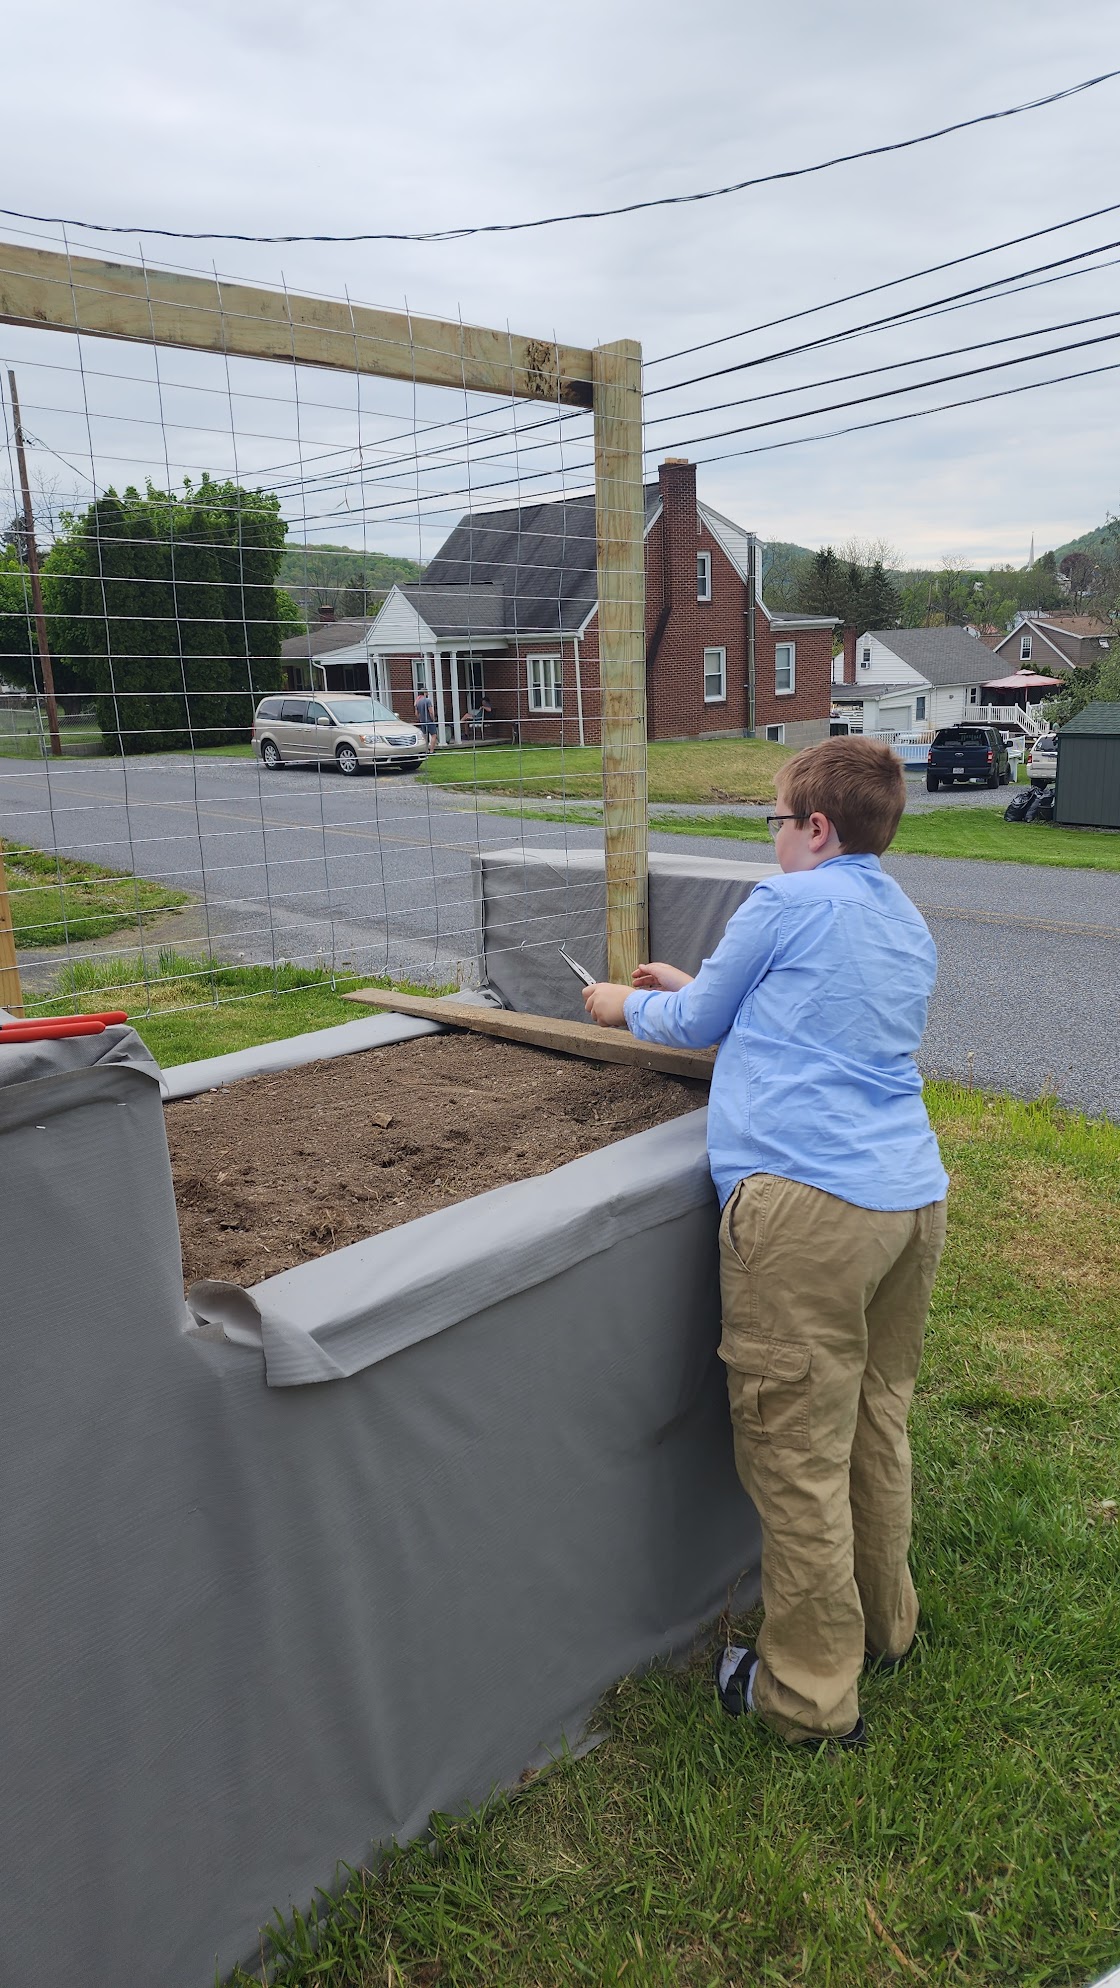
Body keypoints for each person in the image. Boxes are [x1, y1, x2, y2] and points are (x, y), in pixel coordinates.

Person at [583, 736, 948, 1750]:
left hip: (807, 1207)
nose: (774, 838)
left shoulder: (787, 900)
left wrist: (626, 1003)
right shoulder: (904, 919)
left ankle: (806, 1698)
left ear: (816, 828)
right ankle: (885, 1625)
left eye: (776, 822)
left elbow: (695, 1019)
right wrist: (695, 985)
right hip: (909, 1199)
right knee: (875, 1414)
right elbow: (804, 1010)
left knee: (795, 1449)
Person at [413, 685, 438, 750]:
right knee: (434, 735)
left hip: (422, 721)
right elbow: (431, 712)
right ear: (425, 693)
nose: (427, 694)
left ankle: (425, 750)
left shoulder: (417, 702)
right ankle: (431, 750)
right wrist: (433, 719)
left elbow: (416, 714)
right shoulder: (427, 700)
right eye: (427, 692)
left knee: (425, 737)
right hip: (429, 721)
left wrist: (420, 719)